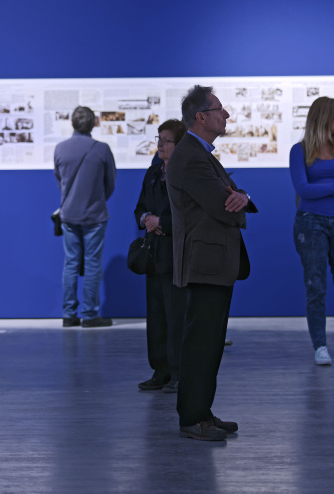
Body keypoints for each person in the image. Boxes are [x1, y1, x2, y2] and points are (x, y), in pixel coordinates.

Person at [166, 85, 258, 441]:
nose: (226, 115)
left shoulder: (201, 153)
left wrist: (243, 196)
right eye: (220, 109)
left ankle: (202, 412)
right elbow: (223, 204)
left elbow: (236, 196)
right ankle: (192, 417)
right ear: (200, 116)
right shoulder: (190, 155)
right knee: (201, 342)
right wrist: (237, 199)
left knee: (211, 340)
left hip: (213, 262)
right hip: (205, 261)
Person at [289, 97, 334, 365]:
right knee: (315, 285)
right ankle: (320, 345)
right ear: (324, 116)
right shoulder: (300, 150)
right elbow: (303, 190)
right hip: (310, 222)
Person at [134, 119, 188, 394]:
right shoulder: (153, 172)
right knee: (155, 315)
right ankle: (160, 370)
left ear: (179, 145)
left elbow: (188, 214)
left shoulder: (185, 174)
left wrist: (161, 222)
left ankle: (178, 372)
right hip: (153, 255)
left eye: (166, 140)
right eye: (159, 139)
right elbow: (139, 207)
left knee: (175, 315)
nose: (160, 144)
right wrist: (145, 218)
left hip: (175, 255)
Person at [54, 106, 117, 328]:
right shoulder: (102, 149)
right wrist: (97, 199)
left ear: (72, 123)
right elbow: (110, 183)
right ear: (93, 124)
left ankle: (69, 314)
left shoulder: (60, 149)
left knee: (70, 263)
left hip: (69, 215)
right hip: (95, 214)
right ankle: (90, 315)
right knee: (92, 264)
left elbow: (60, 181)